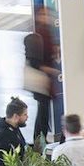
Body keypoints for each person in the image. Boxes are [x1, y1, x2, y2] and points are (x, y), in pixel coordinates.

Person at [27, 7, 60, 141]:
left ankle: (40, 139)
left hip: (44, 80)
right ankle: (39, 140)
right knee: (43, 113)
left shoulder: (45, 32)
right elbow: (35, 63)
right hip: (41, 81)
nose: (47, 17)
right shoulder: (38, 34)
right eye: (43, 14)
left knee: (43, 112)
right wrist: (50, 70)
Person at [0, 96, 28, 166]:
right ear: (15, 116)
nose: (27, 117)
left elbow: (21, 146)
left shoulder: (14, 127)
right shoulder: (2, 135)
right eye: (25, 114)